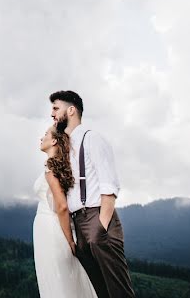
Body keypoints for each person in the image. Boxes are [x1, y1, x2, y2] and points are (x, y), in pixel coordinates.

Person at [50, 90, 135, 298]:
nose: (52, 114)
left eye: (55, 108)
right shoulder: (67, 147)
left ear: (71, 110)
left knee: (118, 291)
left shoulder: (92, 138)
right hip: (79, 223)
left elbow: (110, 185)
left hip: (97, 218)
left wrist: (101, 226)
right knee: (100, 292)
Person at [33, 123, 97, 298]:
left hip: (51, 229)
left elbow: (61, 206)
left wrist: (69, 240)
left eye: (45, 134)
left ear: (54, 140)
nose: (41, 137)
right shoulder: (61, 166)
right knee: (65, 277)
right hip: (52, 227)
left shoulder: (50, 168)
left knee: (56, 277)